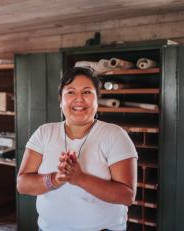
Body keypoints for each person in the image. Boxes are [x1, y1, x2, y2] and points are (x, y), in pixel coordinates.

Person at [17, 67, 138, 231]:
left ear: (97, 100)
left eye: (87, 92)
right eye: (71, 92)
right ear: (60, 100)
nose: (79, 99)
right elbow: (23, 184)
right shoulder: (44, 133)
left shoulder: (115, 135)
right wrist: (55, 179)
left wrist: (80, 179)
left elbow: (127, 196)